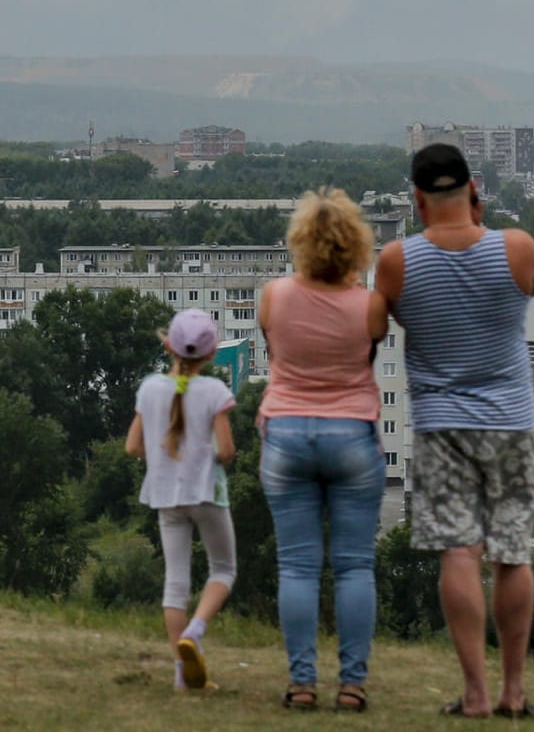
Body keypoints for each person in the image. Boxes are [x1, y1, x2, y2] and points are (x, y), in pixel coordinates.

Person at [373, 144, 534, 720]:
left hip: (441, 425)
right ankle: (513, 692)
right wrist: (480, 225)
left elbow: (388, 317)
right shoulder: (515, 247)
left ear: (417, 199)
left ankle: (473, 693)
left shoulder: (397, 261)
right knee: (512, 554)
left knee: (459, 552)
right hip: (511, 422)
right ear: (474, 189)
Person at [256, 188, 388, 712]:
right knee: (355, 567)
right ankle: (352, 685)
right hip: (352, 435)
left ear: (301, 243)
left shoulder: (274, 296)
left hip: (286, 435)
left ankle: (302, 683)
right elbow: (369, 349)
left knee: (298, 568)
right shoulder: (370, 305)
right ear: (356, 245)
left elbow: (275, 345)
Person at [125, 307, 237, 692]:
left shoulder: (150, 388)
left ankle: (181, 673)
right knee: (223, 569)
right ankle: (196, 629)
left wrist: (162, 457)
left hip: (165, 496)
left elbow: (132, 446)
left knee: (175, 585)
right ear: (210, 354)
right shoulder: (215, 392)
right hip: (207, 493)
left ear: (168, 346)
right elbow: (226, 450)